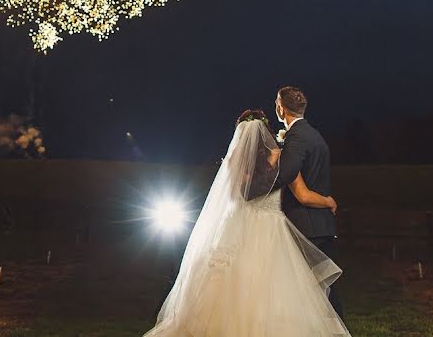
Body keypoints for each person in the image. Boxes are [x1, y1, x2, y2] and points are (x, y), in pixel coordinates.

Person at [144, 109, 349, 336]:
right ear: (267, 131)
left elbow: (232, 198)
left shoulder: (234, 162)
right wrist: (328, 201)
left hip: (235, 228)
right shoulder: (280, 158)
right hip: (271, 230)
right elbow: (302, 194)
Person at [272, 87, 344, 319]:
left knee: (308, 292)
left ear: (281, 108)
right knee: (325, 290)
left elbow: (286, 175)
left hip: (306, 225)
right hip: (321, 224)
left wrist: (254, 189)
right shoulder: (314, 134)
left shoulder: (296, 137)